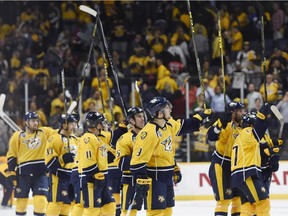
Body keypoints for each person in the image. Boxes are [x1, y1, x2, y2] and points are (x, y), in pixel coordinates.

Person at [130, 96, 212, 215]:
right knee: (156, 212)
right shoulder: (148, 132)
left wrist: (200, 118)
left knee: (168, 211)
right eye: (167, 108)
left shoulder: (169, 125)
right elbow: (138, 159)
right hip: (155, 178)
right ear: (159, 113)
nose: (170, 110)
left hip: (167, 177)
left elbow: (183, 126)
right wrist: (140, 178)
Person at [6, 112, 54, 215]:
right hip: (23, 174)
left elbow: (59, 134)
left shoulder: (44, 132)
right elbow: (11, 155)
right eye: (33, 121)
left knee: (40, 201)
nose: (36, 123)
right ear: (26, 122)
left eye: (37, 121)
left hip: (41, 173)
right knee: (21, 204)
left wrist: (65, 124)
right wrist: (11, 173)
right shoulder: (17, 136)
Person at [231, 105, 271, 215]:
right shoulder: (247, 132)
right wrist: (262, 116)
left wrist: (273, 144)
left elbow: (260, 146)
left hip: (242, 174)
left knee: (248, 206)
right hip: (246, 173)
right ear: (251, 124)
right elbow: (257, 134)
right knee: (263, 203)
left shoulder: (243, 137)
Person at [207, 102, 245, 216]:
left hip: (236, 166)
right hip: (221, 165)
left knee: (238, 200)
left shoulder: (243, 127)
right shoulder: (225, 124)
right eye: (239, 111)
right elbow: (211, 136)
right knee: (223, 201)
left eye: (242, 110)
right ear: (232, 113)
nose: (242, 113)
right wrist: (220, 123)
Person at [77, 111, 114, 216]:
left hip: (102, 179)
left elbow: (109, 150)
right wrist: (97, 176)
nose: (103, 124)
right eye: (101, 122)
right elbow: (88, 162)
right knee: (92, 210)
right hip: (91, 179)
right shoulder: (88, 138)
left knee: (109, 206)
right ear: (97, 124)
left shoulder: (100, 137)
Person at [45, 113, 79, 216]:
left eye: (75, 124)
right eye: (72, 124)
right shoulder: (54, 139)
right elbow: (50, 163)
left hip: (71, 177)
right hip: (58, 177)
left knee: (67, 205)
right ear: (64, 125)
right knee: (56, 204)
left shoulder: (75, 139)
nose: (74, 126)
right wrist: (63, 158)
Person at [115, 107, 146, 216]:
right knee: (129, 213)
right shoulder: (125, 139)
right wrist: (139, 155)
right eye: (139, 116)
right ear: (131, 121)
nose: (142, 119)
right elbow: (121, 164)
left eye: (143, 116)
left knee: (157, 210)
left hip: (149, 180)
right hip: (131, 181)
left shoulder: (149, 136)